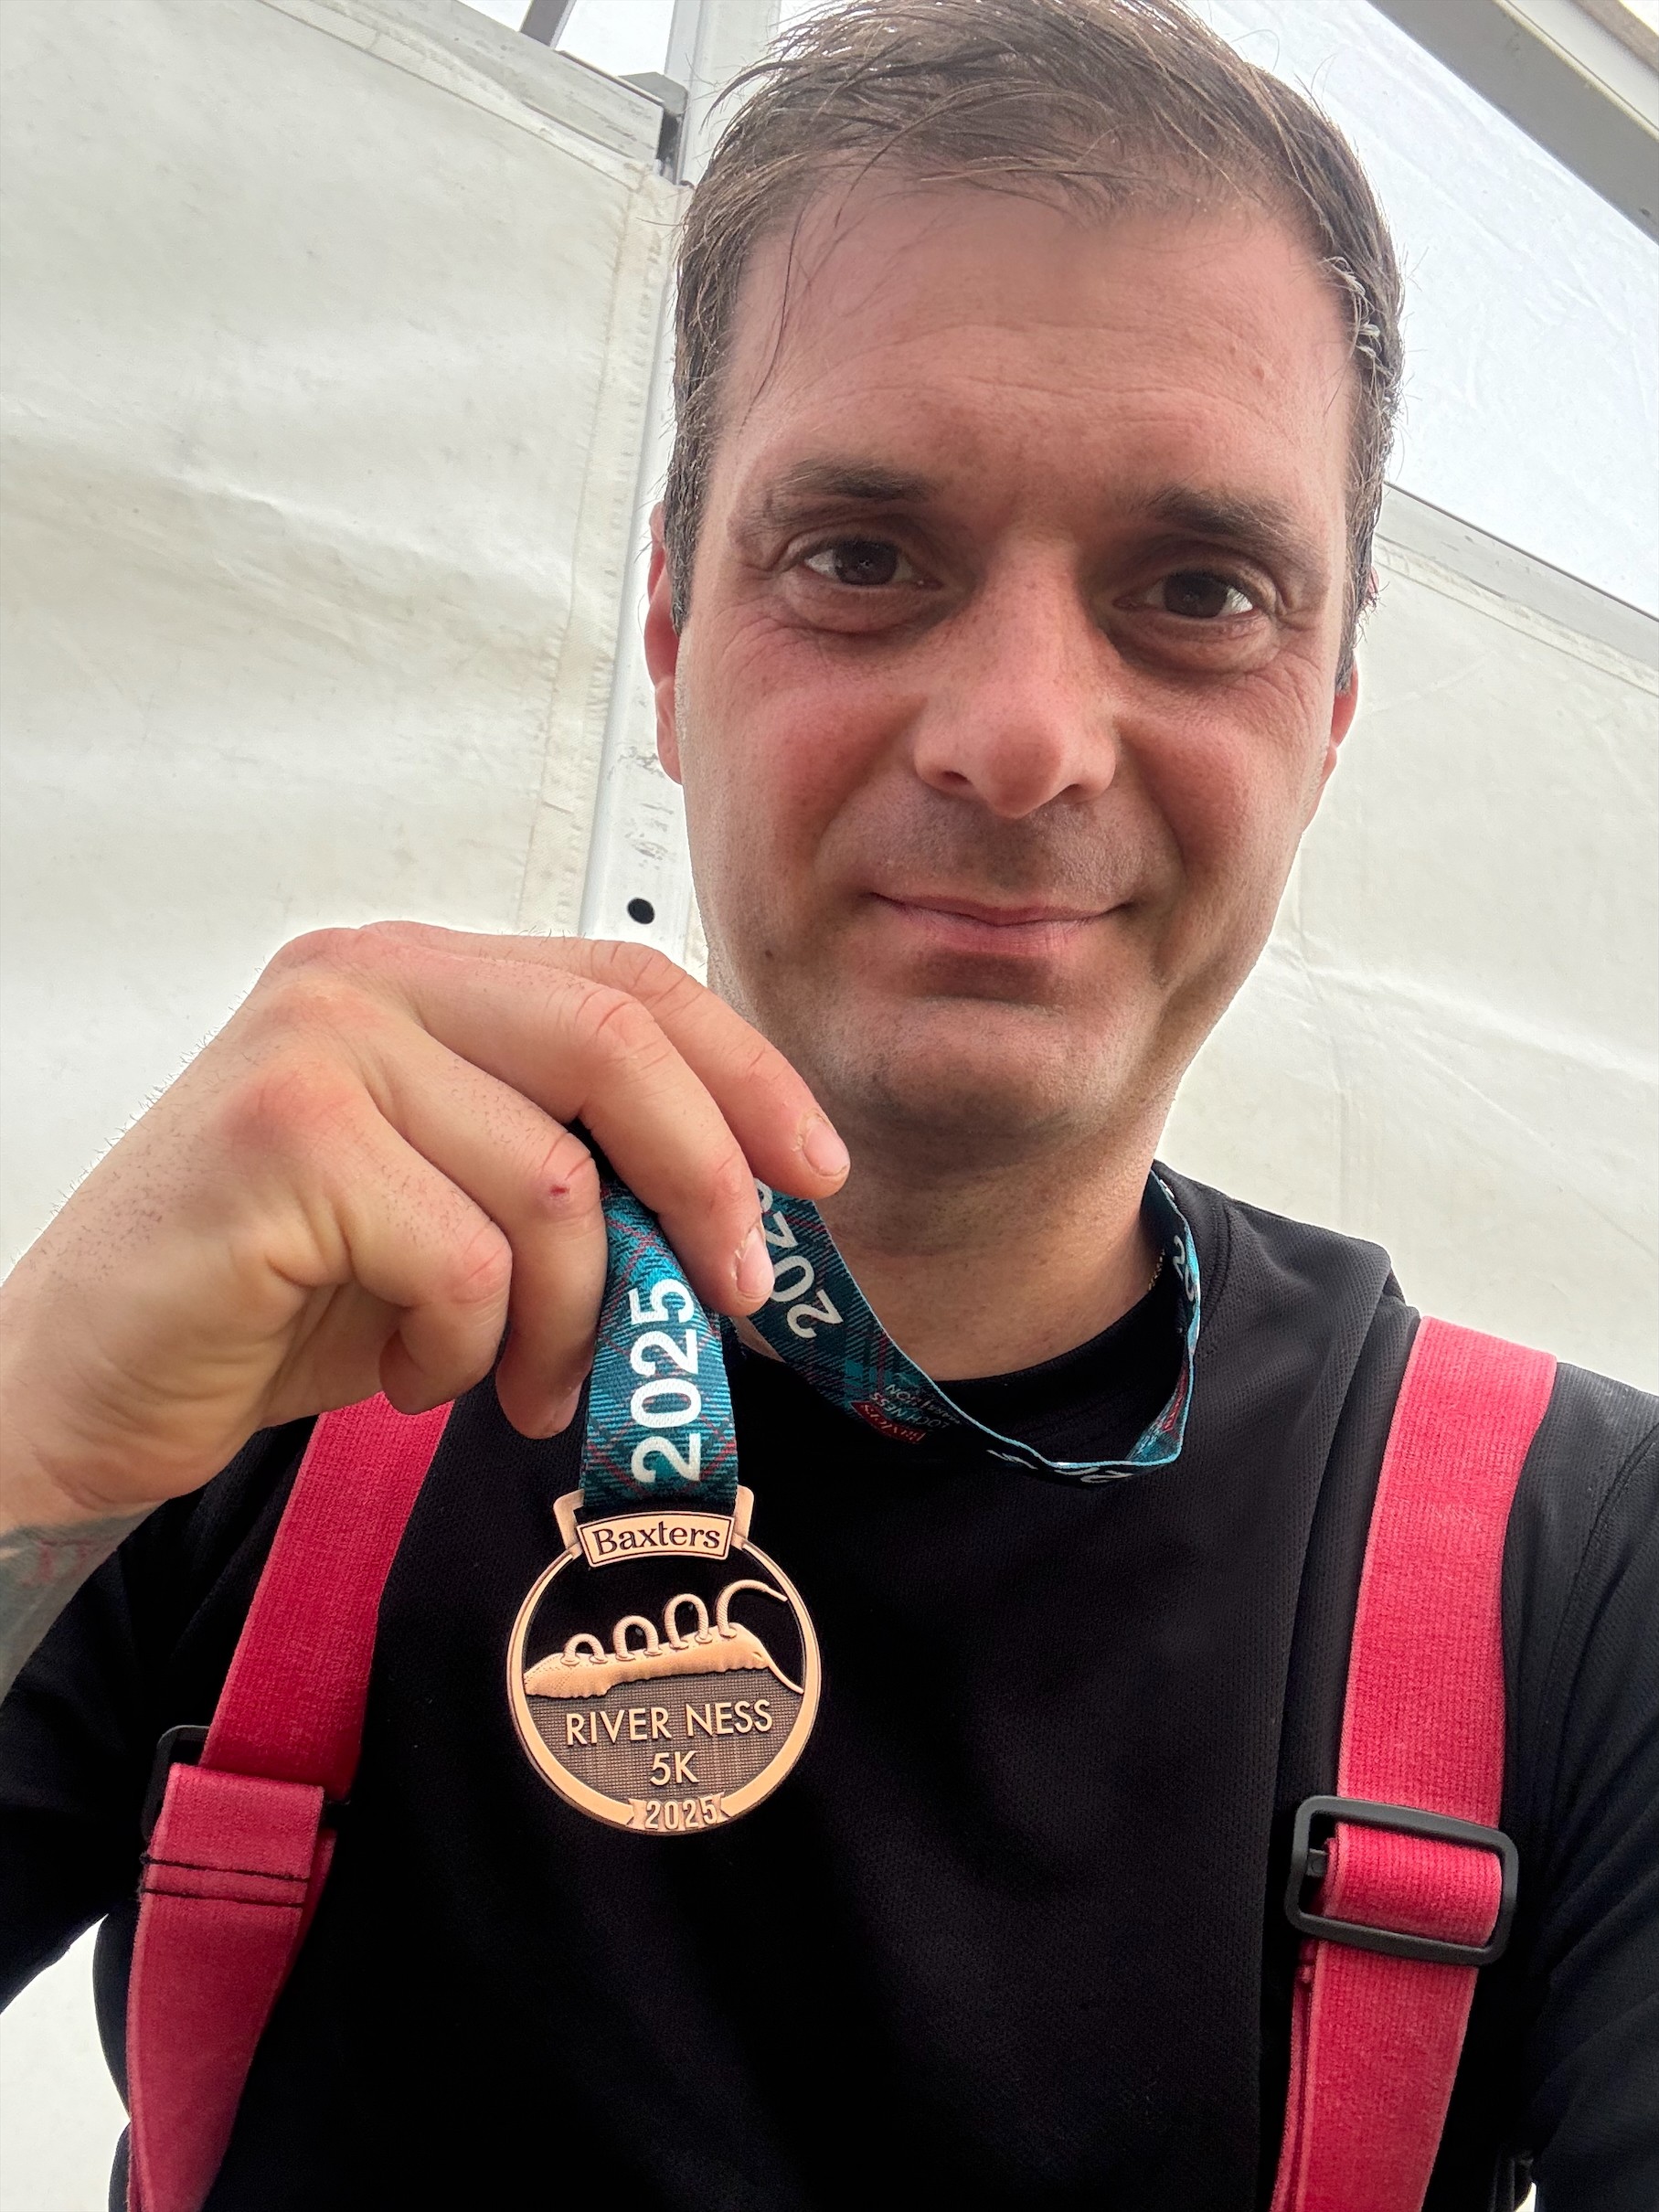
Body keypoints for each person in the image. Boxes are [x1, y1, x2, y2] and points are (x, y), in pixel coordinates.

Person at [1, 1, 1654, 2206]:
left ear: (1328, 709)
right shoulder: (281, 1356)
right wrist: (23, 1448)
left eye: (1194, 592)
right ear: (670, 632)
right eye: (862, 554)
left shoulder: (1582, 1563)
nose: (1013, 738)